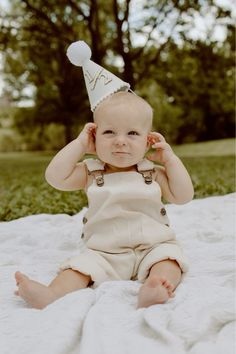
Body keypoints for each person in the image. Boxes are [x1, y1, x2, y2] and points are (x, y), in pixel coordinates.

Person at [15, 91, 194, 309]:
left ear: (149, 141)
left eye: (132, 133)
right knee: (78, 269)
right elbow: (55, 177)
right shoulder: (91, 172)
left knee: (169, 260)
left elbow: (184, 196)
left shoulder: (153, 173)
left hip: (153, 245)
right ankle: (51, 293)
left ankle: (155, 287)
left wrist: (171, 161)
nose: (120, 141)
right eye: (109, 132)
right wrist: (80, 145)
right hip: (104, 252)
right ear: (95, 136)